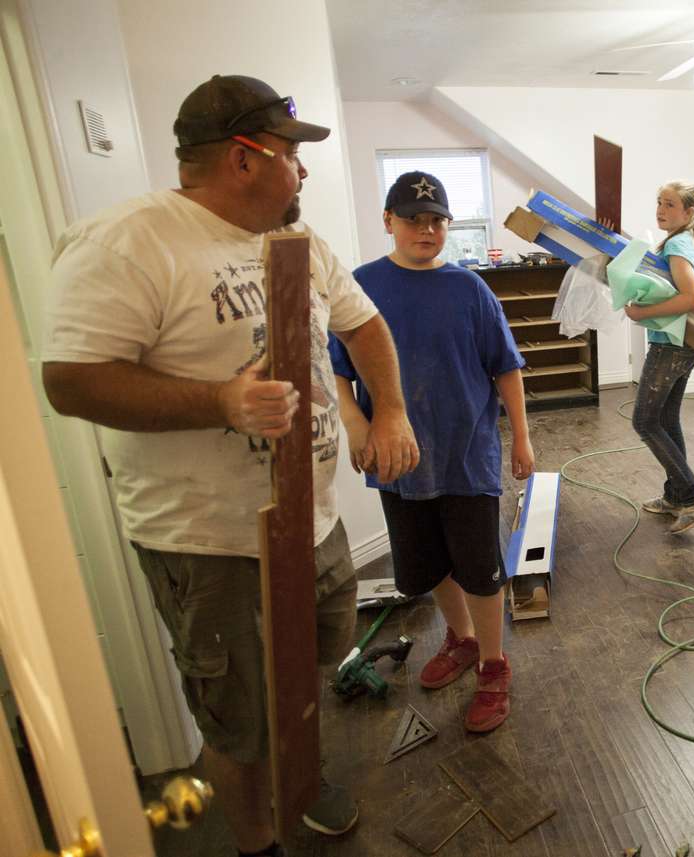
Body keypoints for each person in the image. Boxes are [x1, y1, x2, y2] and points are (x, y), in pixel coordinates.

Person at [40, 75, 418, 856]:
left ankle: (301, 786)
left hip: (311, 519)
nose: (303, 171)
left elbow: (365, 324)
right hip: (205, 542)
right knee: (236, 713)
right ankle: (255, 841)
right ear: (243, 159)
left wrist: (390, 409)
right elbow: (70, 379)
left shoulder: (299, 244)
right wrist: (220, 401)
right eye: (291, 155)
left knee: (308, 668)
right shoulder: (127, 242)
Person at [329, 171, 533, 734]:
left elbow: (506, 366)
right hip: (401, 462)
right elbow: (339, 370)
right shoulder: (361, 286)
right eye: (414, 219)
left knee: (480, 569)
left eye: (437, 220)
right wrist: (354, 424)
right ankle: (461, 639)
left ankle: (493, 664)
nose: (427, 229)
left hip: (467, 454)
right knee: (429, 564)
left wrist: (520, 434)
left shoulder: (470, 290)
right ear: (388, 221)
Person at [625, 181, 694, 535]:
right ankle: (677, 496)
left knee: (644, 422)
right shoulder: (680, 241)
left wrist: (641, 315)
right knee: (665, 419)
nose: (660, 210)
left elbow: (691, 298)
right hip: (681, 343)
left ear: (689, 212)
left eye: (669, 204)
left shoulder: (678, 244)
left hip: (671, 345)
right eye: (659, 202)